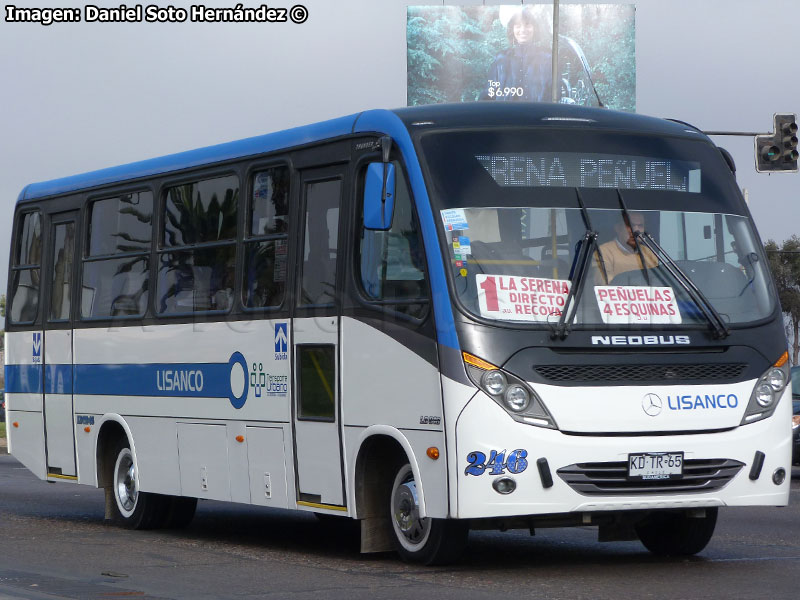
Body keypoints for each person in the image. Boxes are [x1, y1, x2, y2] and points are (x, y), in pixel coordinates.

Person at [481, 7, 553, 102]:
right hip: (505, 115)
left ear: (534, 28)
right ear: (512, 30)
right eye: (518, 26)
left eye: (527, 25)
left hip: (537, 115)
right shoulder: (501, 59)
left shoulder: (547, 58)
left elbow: (555, 96)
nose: (523, 30)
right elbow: (488, 94)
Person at [594, 212, 657, 284]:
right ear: (618, 228)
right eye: (630, 225)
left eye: (640, 226)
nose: (636, 230)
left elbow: (657, 283)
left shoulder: (649, 253)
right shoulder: (603, 252)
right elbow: (605, 284)